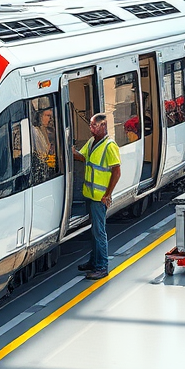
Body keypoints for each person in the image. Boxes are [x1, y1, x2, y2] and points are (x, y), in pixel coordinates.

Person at [72, 112, 121, 280]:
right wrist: (70, 151)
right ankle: (93, 262)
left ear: (103, 126)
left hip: (100, 198)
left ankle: (102, 267)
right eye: (90, 125)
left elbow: (116, 171)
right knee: (94, 232)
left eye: (93, 125)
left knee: (99, 233)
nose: (90, 128)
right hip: (90, 195)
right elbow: (82, 156)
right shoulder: (93, 142)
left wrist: (107, 195)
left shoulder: (110, 146)